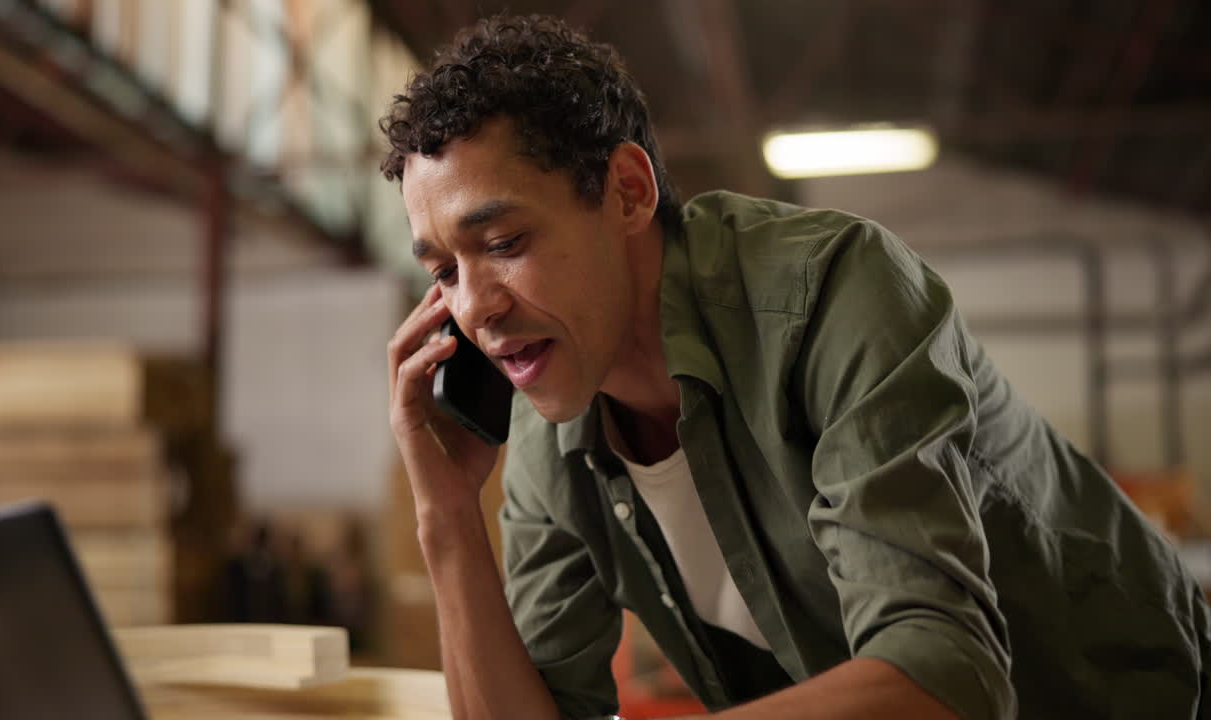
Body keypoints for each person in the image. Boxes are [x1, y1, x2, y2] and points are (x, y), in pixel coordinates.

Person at [381, 13, 1210, 720]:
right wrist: (448, 518)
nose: (473, 307)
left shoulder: (832, 294)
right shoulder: (547, 437)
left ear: (629, 192)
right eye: (443, 271)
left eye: (505, 243)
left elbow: (944, 674)